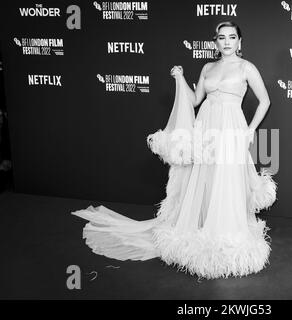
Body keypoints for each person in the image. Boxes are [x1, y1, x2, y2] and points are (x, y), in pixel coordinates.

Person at [72, 21, 277, 279]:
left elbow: (265, 100)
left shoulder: (247, 68)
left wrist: (250, 129)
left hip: (230, 129)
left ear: (239, 42)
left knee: (227, 179)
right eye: (222, 37)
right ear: (215, 42)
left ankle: (225, 235)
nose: (227, 42)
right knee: (203, 177)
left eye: (232, 37)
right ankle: (201, 226)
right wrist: (180, 78)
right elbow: (195, 101)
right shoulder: (207, 68)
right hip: (205, 127)